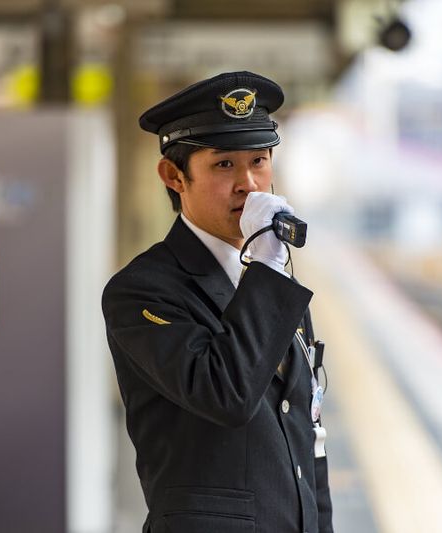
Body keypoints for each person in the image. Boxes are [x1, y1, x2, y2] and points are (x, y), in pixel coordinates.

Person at [102, 71, 332, 533]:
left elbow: (310, 440)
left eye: (259, 162)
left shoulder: (276, 280)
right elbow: (225, 394)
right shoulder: (144, 290)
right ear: (174, 176)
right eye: (224, 165)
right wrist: (267, 269)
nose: (249, 184)